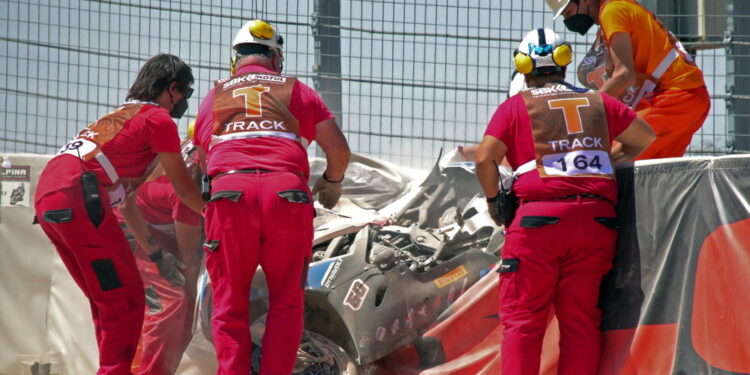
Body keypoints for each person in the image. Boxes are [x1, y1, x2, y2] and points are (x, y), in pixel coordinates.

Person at [475, 28, 654, 375]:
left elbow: (485, 159)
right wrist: (604, 158)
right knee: (581, 322)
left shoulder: (516, 106)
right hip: (596, 223)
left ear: (523, 66)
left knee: (523, 321)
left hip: (537, 225)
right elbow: (644, 138)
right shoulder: (599, 101)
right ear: (564, 61)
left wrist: (495, 202)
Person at [192, 19, 351, 374]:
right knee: (286, 302)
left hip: (231, 195)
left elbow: (204, 159)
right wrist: (333, 180)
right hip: (287, 195)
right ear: (276, 59)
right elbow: (338, 149)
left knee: (230, 303)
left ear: (236, 60)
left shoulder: (214, 95)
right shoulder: (298, 90)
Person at [33, 54, 204, 375]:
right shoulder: (159, 120)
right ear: (172, 88)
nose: (185, 103)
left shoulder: (123, 115)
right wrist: (215, 212)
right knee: (126, 301)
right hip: (80, 196)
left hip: (50, 194)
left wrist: (155, 252)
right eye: (187, 94)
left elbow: (126, 196)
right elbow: (184, 190)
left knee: (108, 300)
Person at [547, 0, 710, 160]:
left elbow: (624, 75)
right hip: (689, 96)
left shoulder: (611, 11)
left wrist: (585, 111)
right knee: (654, 173)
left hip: (674, 97)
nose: (567, 21)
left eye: (568, 12)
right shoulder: (619, 7)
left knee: (602, 158)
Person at [116, 139, 204, 375]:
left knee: (172, 304)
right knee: (173, 301)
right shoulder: (188, 188)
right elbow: (190, 262)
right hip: (132, 227)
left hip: (150, 223)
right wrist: (192, 296)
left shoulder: (193, 149)